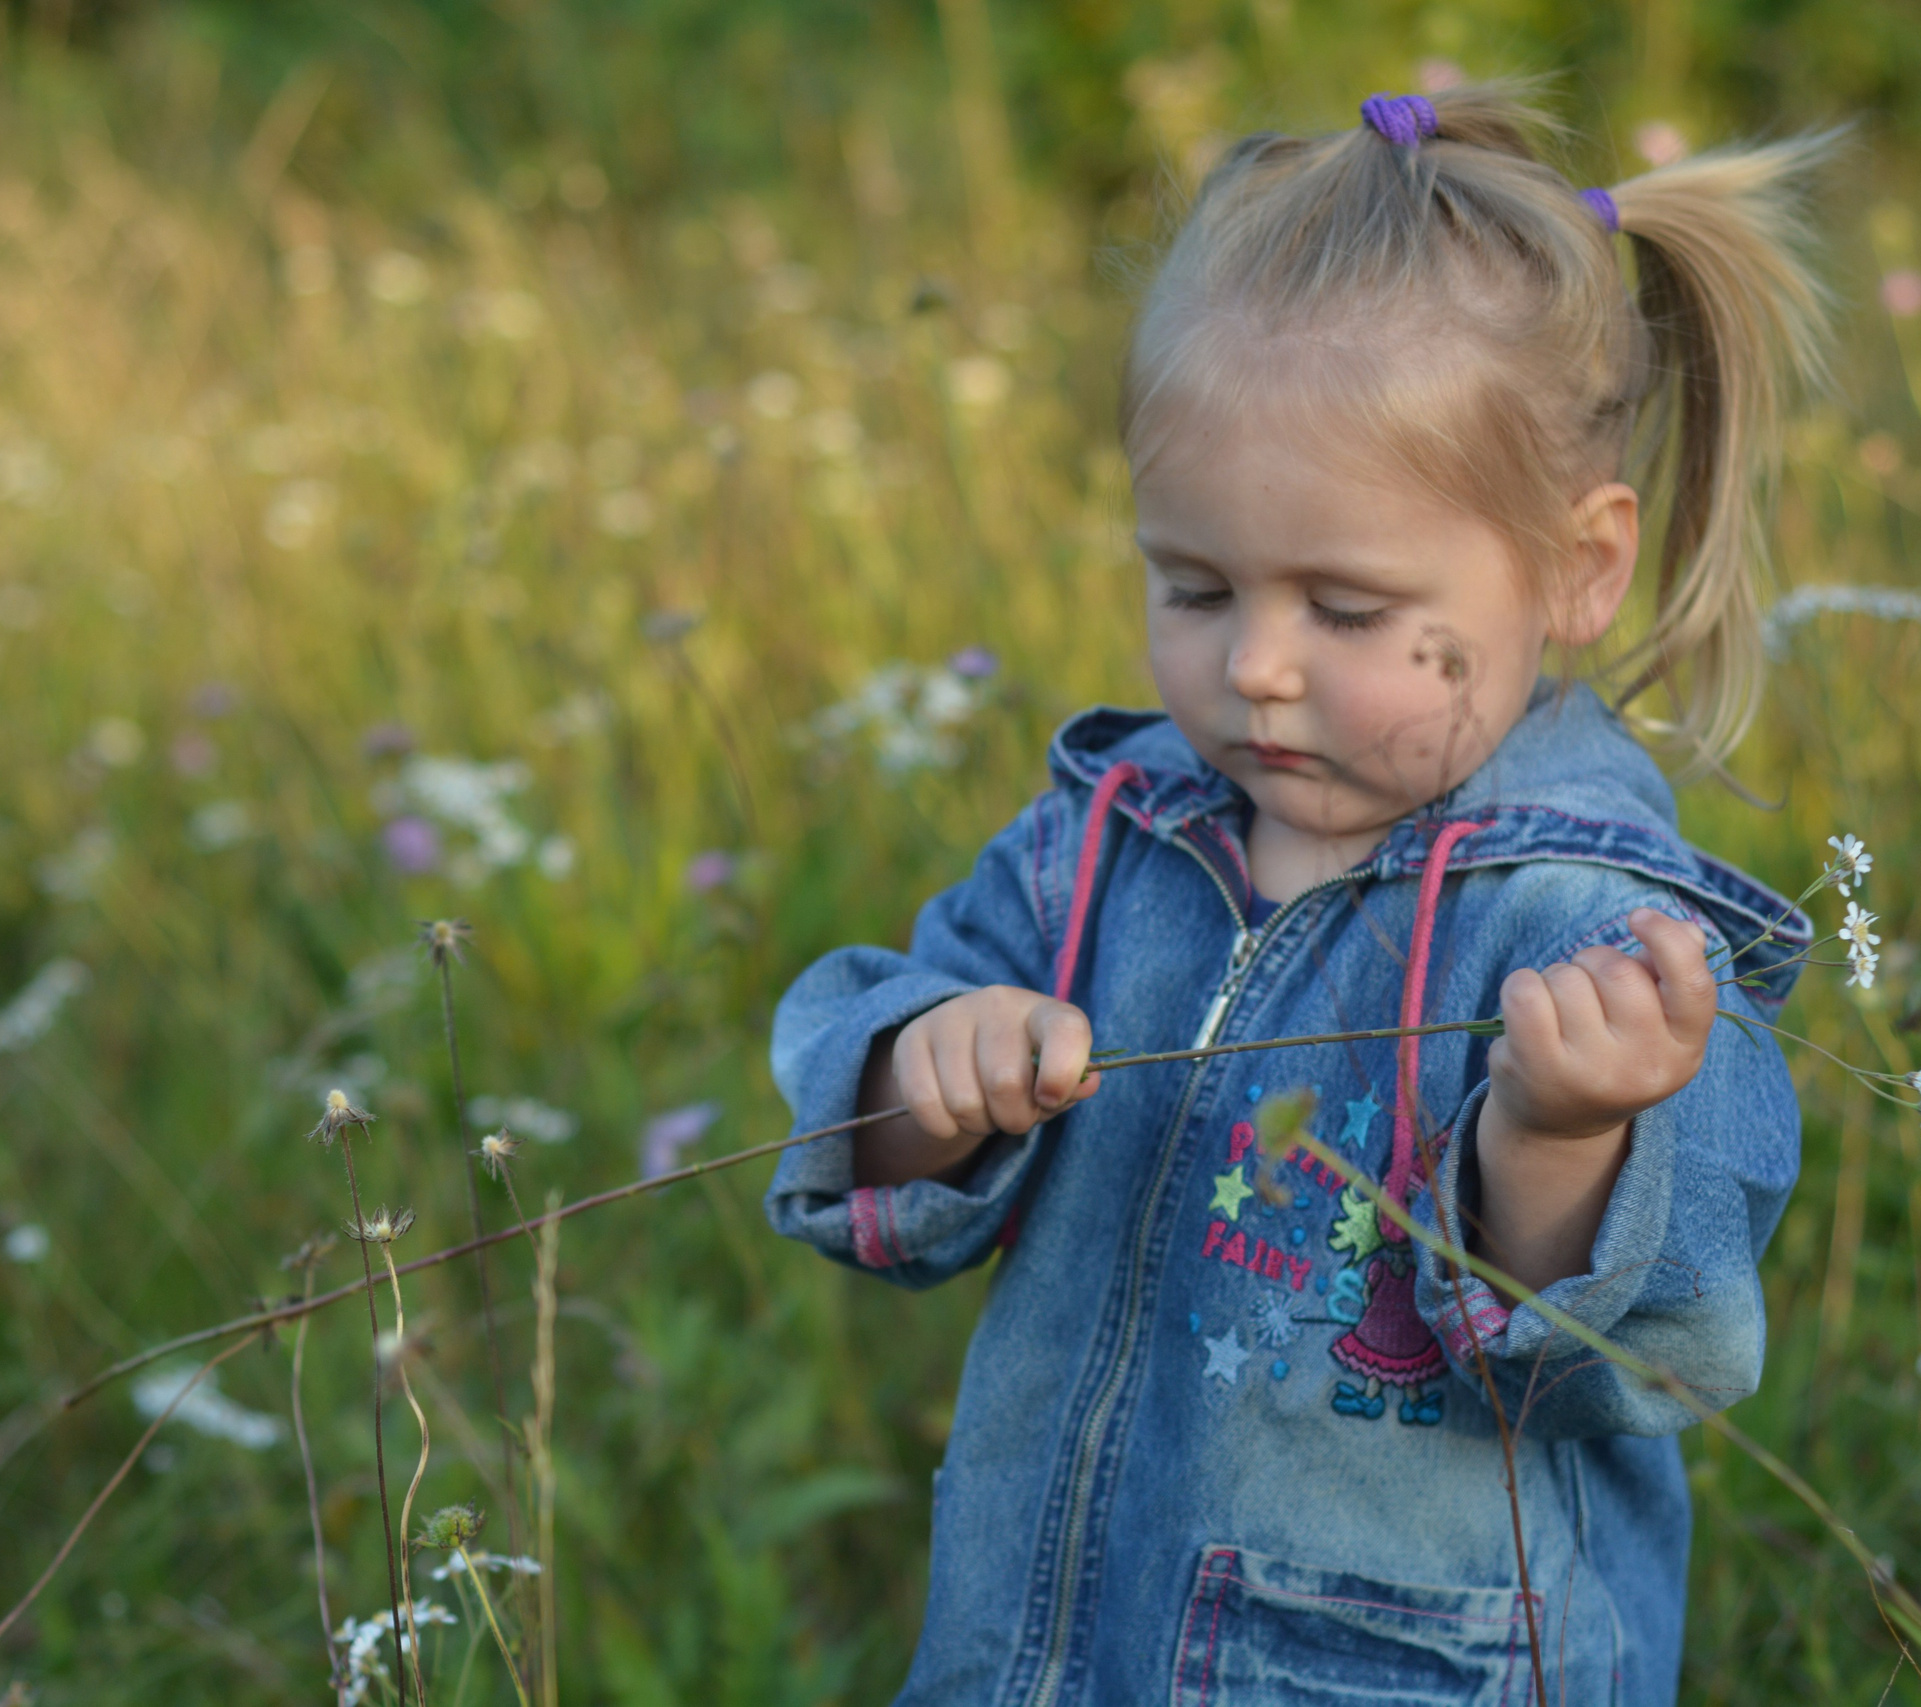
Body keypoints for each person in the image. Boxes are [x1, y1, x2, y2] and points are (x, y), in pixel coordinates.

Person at [766, 82, 1826, 1706]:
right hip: (1044, 1652)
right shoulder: (1106, 840)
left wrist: (1557, 1134)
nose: (1255, 667)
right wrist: (931, 1072)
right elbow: (873, 1148)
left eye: (1345, 605)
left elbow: (1648, 1344)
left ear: (1577, 566)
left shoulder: (1591, 925)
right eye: (1193, 587)